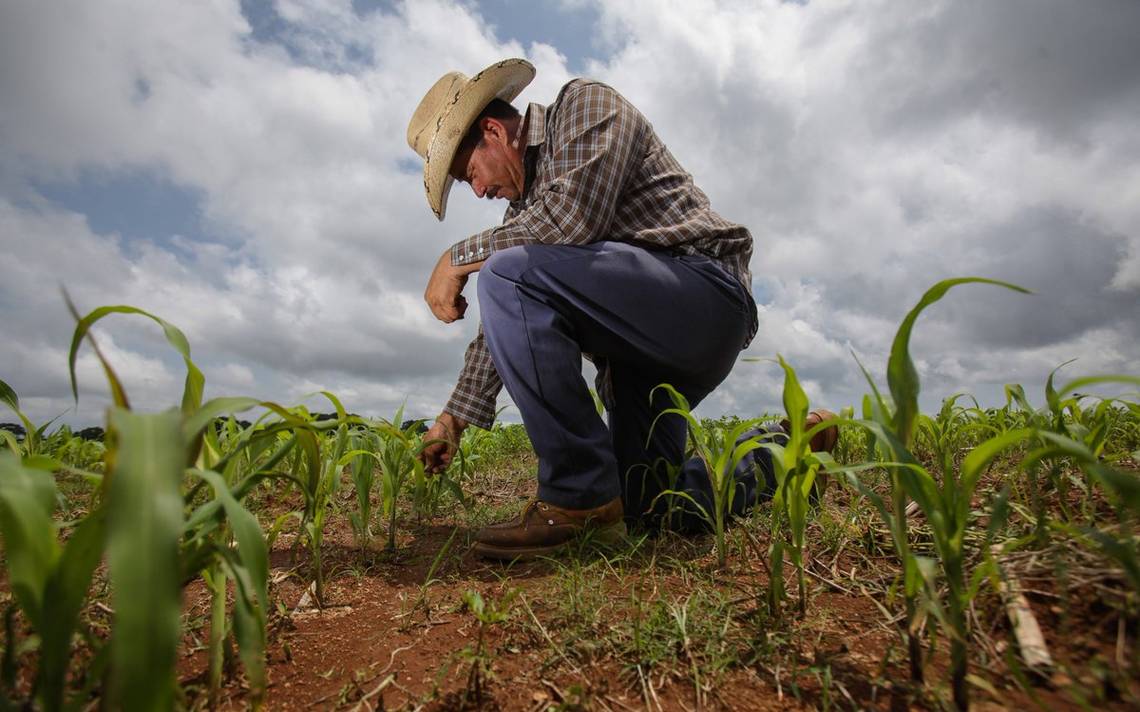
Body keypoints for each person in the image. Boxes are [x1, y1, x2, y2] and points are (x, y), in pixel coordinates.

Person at [406, 58, 833, 560]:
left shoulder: (585, 106)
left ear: (494, 132)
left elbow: (570, 221)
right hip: (637, 363)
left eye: (470, 174)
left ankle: (576, 497)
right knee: (646, 504)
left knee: (505, 271)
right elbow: (509, 319)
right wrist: (451, 421)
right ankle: (786, 453)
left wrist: (456, 258)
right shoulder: (521, 217)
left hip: (703, 296)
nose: (479, 191)